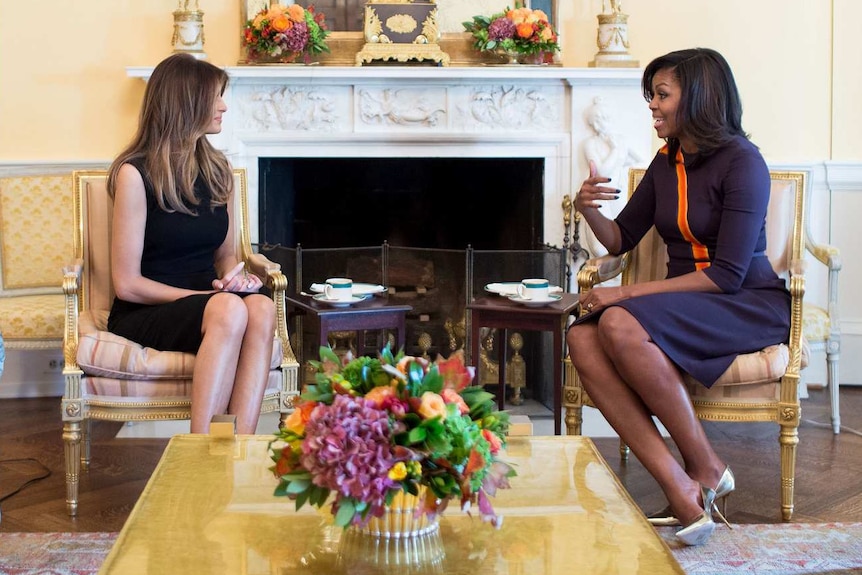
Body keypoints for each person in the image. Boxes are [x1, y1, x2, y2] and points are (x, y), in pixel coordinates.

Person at [566, 48, 790, 546]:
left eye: (661, 95)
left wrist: (620, 295)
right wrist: (587, 208)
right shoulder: (667, 161)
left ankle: (707, 466)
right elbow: (621, 238)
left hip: (745, 303)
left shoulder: (744, 163)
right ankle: (681, 487)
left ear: (699, 99)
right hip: (686, 302)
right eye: (652, 95)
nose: (653, 105)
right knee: (582, 340)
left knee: (618, 322)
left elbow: (727, 275)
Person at [107, 53, 276, 434]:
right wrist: (206, 299)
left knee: (262, 307)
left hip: (212, 300)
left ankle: (238, 449)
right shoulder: (135, 174)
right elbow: (127, 284)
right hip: (145, 309)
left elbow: (226, 255)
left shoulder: (220, 172)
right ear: (186, 102)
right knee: (229, 312)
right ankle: (201, 457)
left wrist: (236, 279)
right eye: (215, 97)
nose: (223, 106)